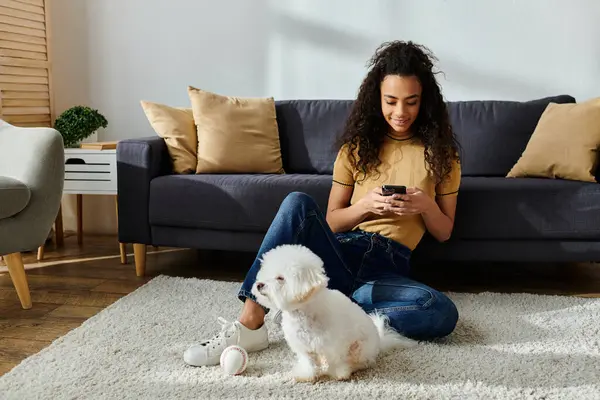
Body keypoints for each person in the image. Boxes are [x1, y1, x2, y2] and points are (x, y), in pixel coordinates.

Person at [183, 40, 462, 367]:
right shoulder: (356, 149)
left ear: (424, 101)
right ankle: (251, 322)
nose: (400, 112)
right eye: (391, 101)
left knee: (439, 310)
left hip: (386, 269)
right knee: (297, 202)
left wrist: (425, 206)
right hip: (340, 253)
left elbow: (444, 232)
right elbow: (332, 221)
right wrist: (366, 207)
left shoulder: (443, 155)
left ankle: (335, 309)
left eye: (411, 102)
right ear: (377, 98)